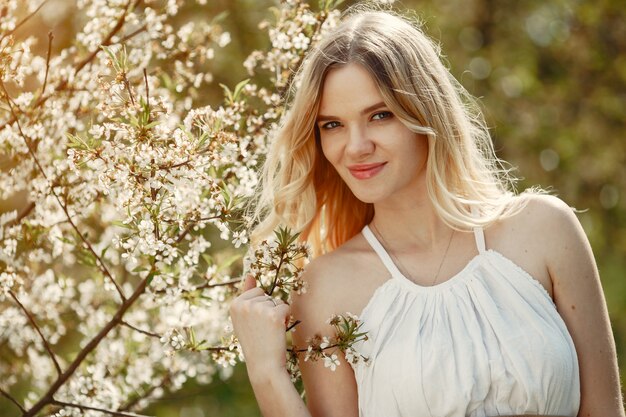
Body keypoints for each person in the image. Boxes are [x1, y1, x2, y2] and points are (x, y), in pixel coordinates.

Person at [229, 5, 625, 417]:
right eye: (332, 125)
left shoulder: (545, 229)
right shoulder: (325, 289)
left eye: (380, 115)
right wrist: (265, 373)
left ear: (425, 112)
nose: (356, 146)